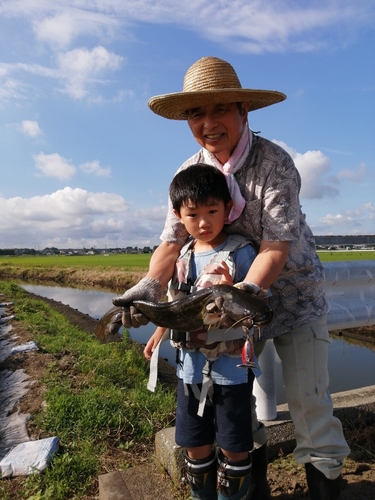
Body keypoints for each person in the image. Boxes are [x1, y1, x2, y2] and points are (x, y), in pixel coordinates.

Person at [112, 56, 350, 499]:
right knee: (240, 408)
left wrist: (246, 290)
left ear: (244, 110)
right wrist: (149, 287)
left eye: (220, 109)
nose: (209, 122)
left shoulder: (274, 163)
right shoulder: (188, 174)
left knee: (310, 407)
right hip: (229, 314)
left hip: (290, 299)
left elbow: (277, 246)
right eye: (196, 113)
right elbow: (171, 242)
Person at [144, 163, 261, 500]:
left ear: (229, 208)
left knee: (235, 443)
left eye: (213, 210)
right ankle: (201, 495)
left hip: (233, 370)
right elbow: (176, 305)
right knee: (194, 441)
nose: (204, 222)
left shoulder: (241, 251)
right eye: (193, 215)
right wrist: (157, 334)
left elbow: (258, 308)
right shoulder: (182, 255)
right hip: (190, 367)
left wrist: (233, 289)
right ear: (179, 216)